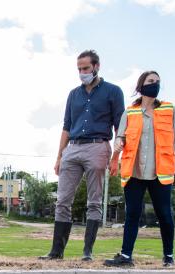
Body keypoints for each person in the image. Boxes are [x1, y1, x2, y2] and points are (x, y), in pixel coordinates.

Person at [40, 50, 124, 261]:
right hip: (73, 148)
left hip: (98, 146)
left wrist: (116, 157)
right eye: (79, 69)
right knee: (62, 201)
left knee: (94, 201)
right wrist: (59, 156)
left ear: (97, 66)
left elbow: (120, 127)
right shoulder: (73, 94)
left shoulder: (113, 91)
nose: (82, 72)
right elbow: (66, 127)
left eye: (85, 68)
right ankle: (56, 252)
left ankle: (87, 252)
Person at [105, 70, 175, 267]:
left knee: (164, 214)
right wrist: (119, 143)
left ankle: (169, 256)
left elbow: (174, 140)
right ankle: (126, 256)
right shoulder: (130, 112)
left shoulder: (169, 109)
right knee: (132, 214)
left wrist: (169, 163)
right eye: (151, 81)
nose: (155, 84)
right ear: (141, 86)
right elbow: (120, 135)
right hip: (134, 171)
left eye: (158, 82)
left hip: (159, 172)